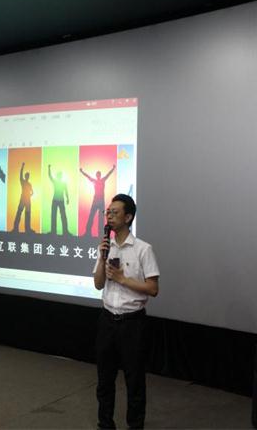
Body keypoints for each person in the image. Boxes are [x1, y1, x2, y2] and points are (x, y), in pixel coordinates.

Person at [93, 194, 160, 429]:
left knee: (134, 380)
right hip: (107, 320)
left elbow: (153, 289)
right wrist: (102, 259)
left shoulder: (143, 249)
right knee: (104, 379)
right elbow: (98, 284)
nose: (109, 216)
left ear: (128, 217)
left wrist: (123, 279)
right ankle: (105, 424)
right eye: (108, 212)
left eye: (115, 212)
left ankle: (135, 425)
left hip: (133, 324)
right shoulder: (106, 247)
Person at [80, 164, 115, 237]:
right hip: (95, 200)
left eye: (99, 174)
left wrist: (113, 168)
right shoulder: (94, 181)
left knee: (101, 217)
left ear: (100, 175)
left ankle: (100, 234)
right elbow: (88, 176)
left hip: (101, 201)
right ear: (96, 175)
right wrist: (82, 172)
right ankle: (88, 232)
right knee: (91, 216)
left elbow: (108, 174)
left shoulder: (103, 180)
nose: (98, 175)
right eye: (97, 174)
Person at [11, 162, 34, 233]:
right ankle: (15, 228)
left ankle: (28, 229)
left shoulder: (29, 184)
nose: (27, 177)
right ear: (25, 176)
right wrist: (22, 166)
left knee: (27, 214)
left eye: (28, 176)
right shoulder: (23, 182)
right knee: (19, 212)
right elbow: (20, 174)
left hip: (28, 200)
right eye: (27, 176)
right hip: (23, 199)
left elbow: (32, 192)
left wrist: (30, 195)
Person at [48, 164, 70, 235]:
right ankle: (53, 231)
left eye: (60, 175)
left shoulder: (63, 183)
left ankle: (65, 231)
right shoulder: (56, 182)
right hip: (56, 200)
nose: (59, 176)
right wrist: (49, 168)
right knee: (54, 215)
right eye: (59, 175)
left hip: (60, 200)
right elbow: (50, 176)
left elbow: (66, 191)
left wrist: (67, 198)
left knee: (62, 215)